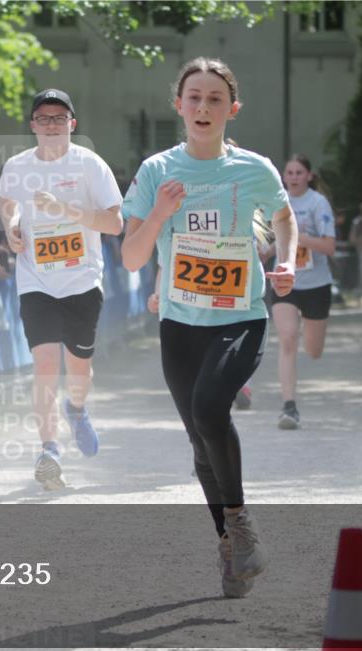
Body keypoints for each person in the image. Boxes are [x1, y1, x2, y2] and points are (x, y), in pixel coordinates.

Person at [120, 57, 297, 598]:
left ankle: (241, 525)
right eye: (193, 97)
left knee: (209, 409)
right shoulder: (156, 171)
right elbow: (130, 258)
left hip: (240, 316)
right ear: (179, 105)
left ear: (231, 109)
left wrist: (286, 260)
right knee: (201, 443)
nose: (203, 106)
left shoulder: (255, 169)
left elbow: (283, 218)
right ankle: (231, 546)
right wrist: (158, 215)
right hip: (180, 322)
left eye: (214, 99)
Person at [0, 88, 123, 490]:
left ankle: (77, 408)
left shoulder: (90, 165)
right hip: (36, 280)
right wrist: (13, 226)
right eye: (43, 117)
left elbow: (114, 224)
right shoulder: (17, 165)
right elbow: (7, 200)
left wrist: (65, 210)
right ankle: (48, 450)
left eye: (58, 117)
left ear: (72, 124)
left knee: (78, 369)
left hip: (83, 279)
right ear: (32, 125)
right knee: (45, 366)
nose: (51, 124)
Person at [261, 154, 336, 430]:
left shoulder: (318, 203)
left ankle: (310, 330)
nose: (293, 177)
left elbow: (329, 246)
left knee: (313, 350)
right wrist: (265, 252)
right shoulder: (277, 202)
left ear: (309, 176)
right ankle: (289, 406)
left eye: (298, 172)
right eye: (289, 172)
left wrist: (299, 237)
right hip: (285, 281)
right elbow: (272, 241)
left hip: (316, 284)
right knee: (288, 338)